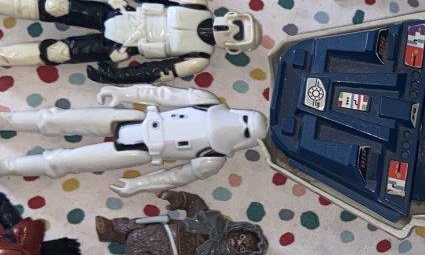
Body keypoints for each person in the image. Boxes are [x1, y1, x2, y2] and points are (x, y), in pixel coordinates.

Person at [0, 83, 269, 196]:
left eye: (246, 130)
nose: (238, 125)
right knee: (54, 119)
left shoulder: (213, 159)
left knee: (63, 161)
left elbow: (175, 177)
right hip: (136, 120)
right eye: (245, 119)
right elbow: (161, 94)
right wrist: (124, 93)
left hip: (140, 151)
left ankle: (10, 168)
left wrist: (139, 184)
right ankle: (7, 121)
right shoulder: (205, 101)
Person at [0, 0, 260, 84]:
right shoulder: (194, 1)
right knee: (56, 6)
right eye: (237, 24)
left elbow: (155, 71)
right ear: (232, 15)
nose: (230, 29)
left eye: (237, 35)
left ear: (233, 48)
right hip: (117, 13)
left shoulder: (198, 58)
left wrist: (117, 76)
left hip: (118, 47)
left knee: (58, 52)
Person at [95, 191, 268, 255]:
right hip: (154, 231)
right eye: (241, 237)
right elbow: (194, 202)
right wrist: (179, 198)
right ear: (238, 229)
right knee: (134, 225)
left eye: (242, 247)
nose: (238, 242)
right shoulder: (208, 220)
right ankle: (111, 229)